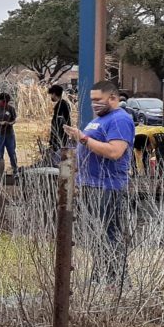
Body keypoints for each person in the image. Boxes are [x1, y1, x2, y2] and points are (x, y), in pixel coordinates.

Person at [63, 80, 135, 286]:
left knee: (108, 234)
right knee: (96, 234)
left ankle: (116, 281)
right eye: (92, 100)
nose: (94, 104)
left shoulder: (120, 119)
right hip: (90, 184)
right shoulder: (100, 120)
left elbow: (115, 151)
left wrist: (83, 138)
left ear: (113, 98)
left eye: (98, 100)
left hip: (107, 186)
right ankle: (101, 276)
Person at [0, 92, 18, 179]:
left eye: (6, 102)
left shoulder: (11, 109)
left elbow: (14, 119)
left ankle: (15, 170)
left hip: (9, 134)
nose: (4, 104)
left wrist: (10, 123)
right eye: (3, 102)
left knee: (12, 152)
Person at [48, 85, 72, 162]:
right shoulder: (65, 104)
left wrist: (53, 140)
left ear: (54, 94)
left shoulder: (60, 106)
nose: (51, 96)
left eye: (51, 94)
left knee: (58, 159)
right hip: (63, 135)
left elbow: (58, 123)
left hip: (59, 137)